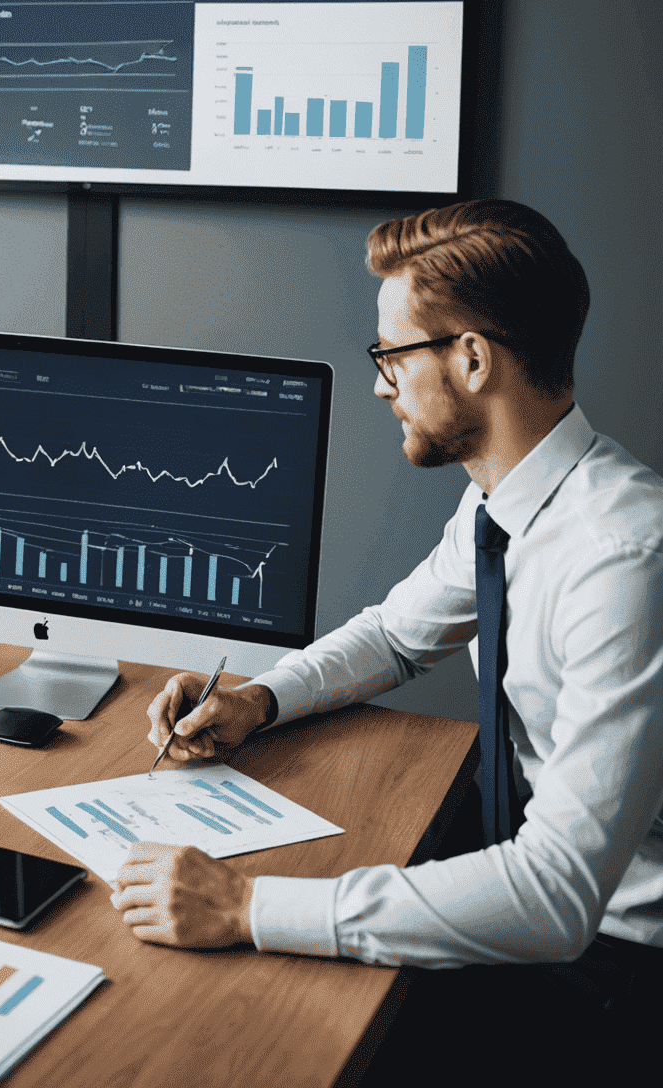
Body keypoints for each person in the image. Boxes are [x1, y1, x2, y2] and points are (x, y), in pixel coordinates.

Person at [117, 199, 663, 1072]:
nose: (380, 384)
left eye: (392, 356)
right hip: (543, 913)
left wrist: (247, 905)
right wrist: (256, 700)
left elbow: (558, 896)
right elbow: (399, 637)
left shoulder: (624, 559)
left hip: (618, 970)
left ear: (473, 359)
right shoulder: (506, 502)